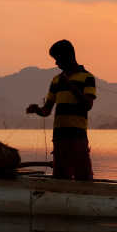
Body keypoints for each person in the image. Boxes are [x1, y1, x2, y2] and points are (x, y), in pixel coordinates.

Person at [26, 40, 96, 180]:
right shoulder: (56, 80)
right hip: (59, 137)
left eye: (57, 59)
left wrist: (70, 86)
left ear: (68, 56)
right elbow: (47, 111)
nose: (56, 63)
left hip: (78, 136)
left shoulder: (87, 77)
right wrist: (37, 110)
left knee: (84, 177)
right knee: (60, 177)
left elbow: (88, 105)